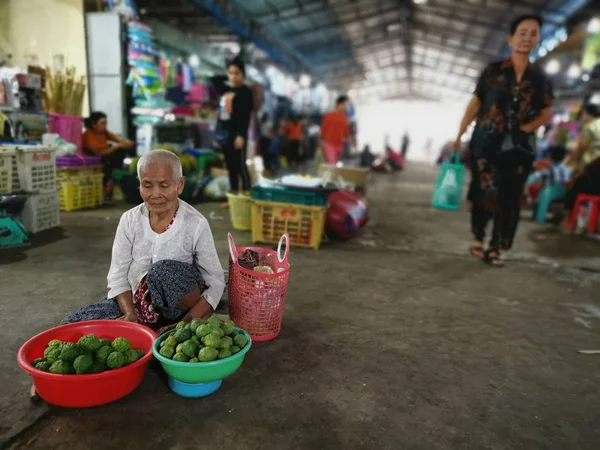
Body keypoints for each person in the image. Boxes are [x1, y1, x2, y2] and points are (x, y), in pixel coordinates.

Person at [62, 150, 225, 332]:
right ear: (139, 185)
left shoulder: (196, 224)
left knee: (162, 272)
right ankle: (144, 325)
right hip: (136, 302)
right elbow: (118, 275)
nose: (155, 194)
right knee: (73, 326)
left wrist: (183, 326)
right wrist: (129, 313)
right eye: (147, 185)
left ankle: (168, 324)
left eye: (164, 185)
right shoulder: (129, 220)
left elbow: (215, 282)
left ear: (179, 185)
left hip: (177, 309)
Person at [453, 15, 553, 267]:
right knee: (484, 190)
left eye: (533, 33)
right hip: (485, 143)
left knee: (510, 196)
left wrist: (525, 129)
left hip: (518, 149)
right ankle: (478, 236)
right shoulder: (493, 71)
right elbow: (476, 103)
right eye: (522, 32)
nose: (527, 38)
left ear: (538, 39)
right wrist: (459, 133)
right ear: (511, 39)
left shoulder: (540, 79)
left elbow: (546, 111)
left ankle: (496, 246)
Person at [559, 103, 600, 231]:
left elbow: (580, 149)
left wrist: (569, 164)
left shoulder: (589, 127)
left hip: (591, 170)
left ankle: (567, 221)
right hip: (595, 174)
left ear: (588, 114)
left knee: (572, 188)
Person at [216, 56, 253, 193]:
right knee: (230, 166)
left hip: (238, 135)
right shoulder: (226, 90)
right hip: (225, 133)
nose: (233, 76)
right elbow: (214, 80)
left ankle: (248, 194)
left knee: (240, 166)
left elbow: (245, 117)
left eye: (237, 73)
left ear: (243, 74)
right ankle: (233, 195)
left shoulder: (245, 92)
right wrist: (228, 69)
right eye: (231, 73)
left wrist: (241, 135)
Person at [82, 111, 134, 199]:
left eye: (105, 123)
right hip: (96, 159)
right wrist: (116, 146)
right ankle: (110, 181)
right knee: (113, 155)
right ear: (93, 124)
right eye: (102, 123)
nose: (105, 126)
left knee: (122, 150)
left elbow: (120, 141)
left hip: (107, 157)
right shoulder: (87, 136)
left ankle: (114, 175)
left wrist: (127, 143)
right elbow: (98, 154)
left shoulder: (105, 132)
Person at [321, 95, 350, 164]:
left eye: (346, 105)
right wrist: (322, 142)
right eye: (344, 104)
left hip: (339, 145)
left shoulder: (344, 118)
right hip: (329, 144)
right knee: (332, 163)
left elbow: (346, 131)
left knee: (336, 164)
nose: (345, 107)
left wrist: (347, 139)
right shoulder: (329, 115)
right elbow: (323, 129)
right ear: (337, 104)